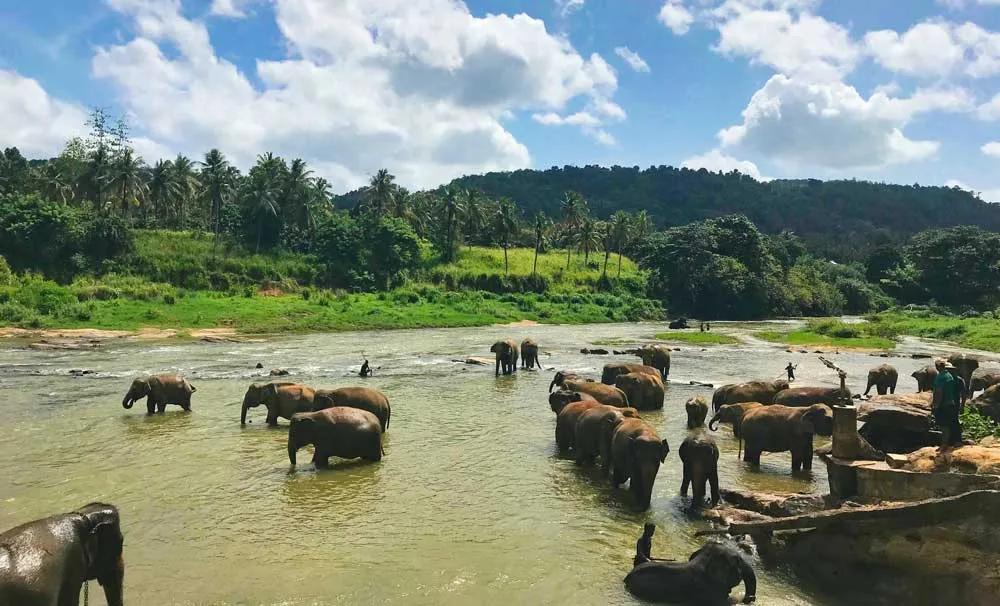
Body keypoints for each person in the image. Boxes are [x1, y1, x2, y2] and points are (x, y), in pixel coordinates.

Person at [932, 359, 962, 448]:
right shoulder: (950, 376)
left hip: (944, 404)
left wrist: (936, 405)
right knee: (951, 423)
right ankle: (950, 443)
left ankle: (944, 444)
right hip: (951, 403)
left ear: (937, 367)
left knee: (944, 425)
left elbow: (939, 392)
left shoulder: (941, 377)